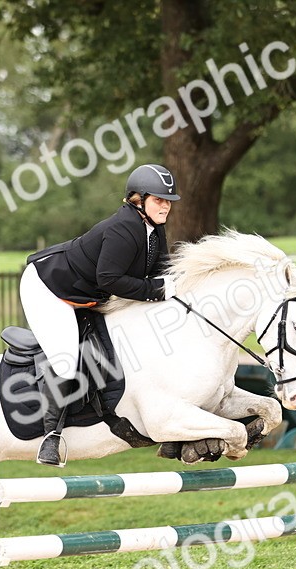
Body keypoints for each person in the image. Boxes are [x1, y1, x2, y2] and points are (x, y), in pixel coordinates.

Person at [19, 163, 180, 466]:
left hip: (87, 295)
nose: (166, 206)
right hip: (50, 289)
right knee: (66, 359)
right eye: (159, 199)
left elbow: (161, 272)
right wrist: (158, 290)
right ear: (138, 199)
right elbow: (110, 279)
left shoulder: (154, 229)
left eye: (168, 200)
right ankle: (50, 437)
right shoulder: (123, 228)